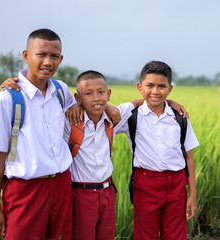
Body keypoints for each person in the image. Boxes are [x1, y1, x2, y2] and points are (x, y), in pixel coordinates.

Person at [63, 70, 187, 240]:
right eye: (88, 94)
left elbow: (145, 100)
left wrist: (169, 102)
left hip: (107, 191)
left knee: (107, 235)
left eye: (101, 92)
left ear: (109, 94)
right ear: (78, 98)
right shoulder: (70, 121)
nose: (96, 98)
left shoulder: (114, 116)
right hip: (80, 192)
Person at [0, 28, 79, 239]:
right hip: (25, 190)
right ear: (26, 55)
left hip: (61, 185)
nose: (48, 62)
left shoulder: (61, 91)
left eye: (54, 56)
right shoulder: (6, 100)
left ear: (61, 59)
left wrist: (109, 108)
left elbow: (88, 104)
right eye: (41, 55)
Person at [117, 60, 199, 240]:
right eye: (149, 86)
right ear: (140, 87)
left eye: (161, 86)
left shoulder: (179, 117)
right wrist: (141, 101)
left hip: (177, 183)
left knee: (176, 235)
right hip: (146, 182)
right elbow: (102, 116)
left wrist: (192, 194)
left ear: (170, 88)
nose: (155, 91)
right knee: (145, 235)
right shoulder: (132, 116)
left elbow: (189, 157)